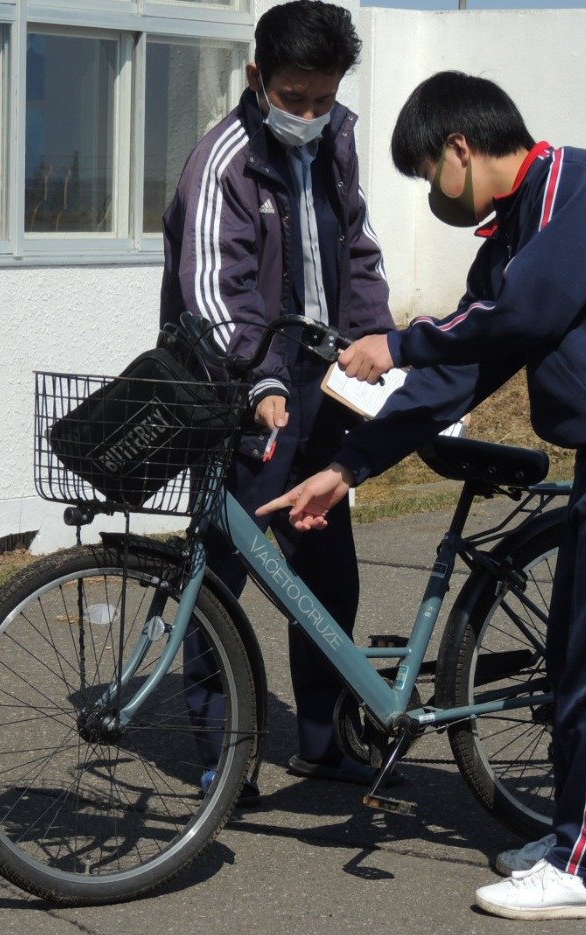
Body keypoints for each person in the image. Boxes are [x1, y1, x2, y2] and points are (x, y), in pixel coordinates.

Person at [259, 71, 586, 918]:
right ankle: (574, 834)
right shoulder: (512, 233)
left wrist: (395, 342)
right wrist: (350, 465)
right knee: (576, 657)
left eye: (429, 171)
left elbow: (520, 315)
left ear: (460, 149)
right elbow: (458, 374)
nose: (434, 193)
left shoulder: (573, 185)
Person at [159, 0, 395, 798]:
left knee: (328, 572)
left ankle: (322, 743)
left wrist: (379, 346)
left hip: (324, 385)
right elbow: (211, 295)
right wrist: (256, 379)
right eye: (294, 97)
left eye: (323, 98)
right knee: (219, 576)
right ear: (257, 78)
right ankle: (220, 755)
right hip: (240, 391)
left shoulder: (335, 142)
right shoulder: (220, 160)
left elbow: (358, 251)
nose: (309, 113)